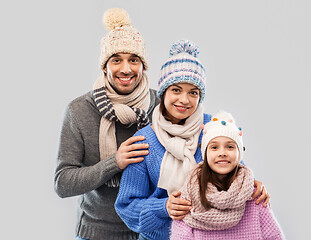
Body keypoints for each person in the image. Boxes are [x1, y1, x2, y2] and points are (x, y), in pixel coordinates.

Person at [115, 40, 270, 240]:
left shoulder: (214, 127)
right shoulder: (144, 141)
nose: (184, 100)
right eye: (176, 90)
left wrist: (254, 186)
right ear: (163, 92)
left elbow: (237, 174)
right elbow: (126, 206)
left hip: (211, 235)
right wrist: (164, 207)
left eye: (193, 92)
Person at [54, 8, 160, 240]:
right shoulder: (79, 110)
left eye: (134, 60)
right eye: (116, 60)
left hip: (154, 230)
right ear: (104, 66)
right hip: (97, 232)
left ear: (143, 66)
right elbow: (62, 183)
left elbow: (201, 154)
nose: (125, 69)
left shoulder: (160, 106)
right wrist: (115, 163)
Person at [170, 111, 285, 240]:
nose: (222, 153)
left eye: (230, 147)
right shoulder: (188, 197)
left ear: (239, 154)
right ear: (205, 154)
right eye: (214, 147)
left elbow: (275, 237)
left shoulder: (255, 196)